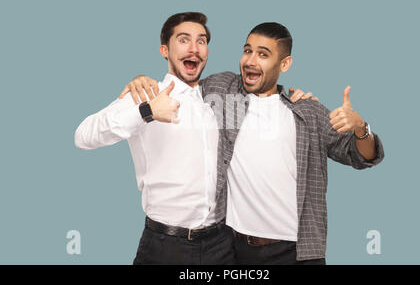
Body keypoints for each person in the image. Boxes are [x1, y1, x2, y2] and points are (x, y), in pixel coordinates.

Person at [121, 22, 385, 265]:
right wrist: (144, 82)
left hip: (296, 252)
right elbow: (181, 84)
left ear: (285, 64)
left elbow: (361, 157)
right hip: (234, 249)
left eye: (263, 54)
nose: (250, 61)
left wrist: (361, 127)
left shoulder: (305, 110)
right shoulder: (224, 92)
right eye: (247, 51)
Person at [74, 12, 312, 265]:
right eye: (184, 40)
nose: (194, 48)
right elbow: (84, 136)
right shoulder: (146, 94)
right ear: (165, 50)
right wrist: (146, 112)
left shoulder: (218, 98)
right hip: (165, 244)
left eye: (201, 41)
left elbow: (264, 98)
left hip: (221, 243)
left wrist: (294, 100)